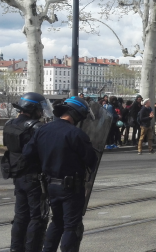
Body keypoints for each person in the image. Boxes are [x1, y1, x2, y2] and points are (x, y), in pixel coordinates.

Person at [22, 96, 98, 252]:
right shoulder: (75, 133)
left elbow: (28, 154)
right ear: (77, 114)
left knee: (56, 222)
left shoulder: (43, 129)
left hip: (50, 185)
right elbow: (91, 160)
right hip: (71, 187)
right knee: (71, 226)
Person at [4, 92, 52, 252]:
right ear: (33, 108)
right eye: (39, 108)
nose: (41, 112)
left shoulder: (9, 124)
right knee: (37, 217)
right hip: (34, 178)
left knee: (20, 216)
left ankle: (16, 248)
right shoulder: (36, 127)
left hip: (17, 176)